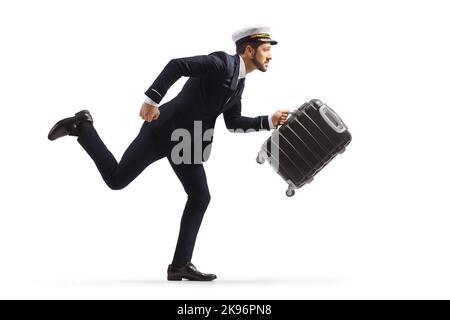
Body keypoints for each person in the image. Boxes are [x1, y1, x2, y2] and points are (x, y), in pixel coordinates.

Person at [48, 25, 290, 281]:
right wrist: (151, 100)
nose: (270, 56)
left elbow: (233, 123)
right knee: (116, 180)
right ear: (249, 50)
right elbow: (177, 65)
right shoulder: (221, 63)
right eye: (265, 50)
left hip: (186, 142)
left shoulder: (238, 85)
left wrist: (268, 121)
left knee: (200, 197)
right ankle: (83, 126)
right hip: (163, 130)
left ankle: (179, 266)